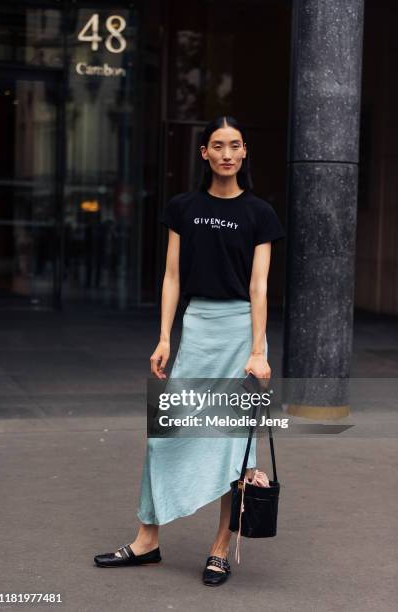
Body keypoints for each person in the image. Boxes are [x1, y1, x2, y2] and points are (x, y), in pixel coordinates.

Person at [94, 115, 285, 586]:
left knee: (233, 447)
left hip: (240, 333)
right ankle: (146, 541)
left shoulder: (261, 213)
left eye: (234, 145)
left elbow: (259, 287)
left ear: (244, 153)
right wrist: (164, 338)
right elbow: (172, 276)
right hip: (196, 329)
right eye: (217, 145)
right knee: (164, 438)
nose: (226, 153)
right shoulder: (182, 206)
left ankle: (220, 547)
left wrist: (259, 351)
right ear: (204, 153)